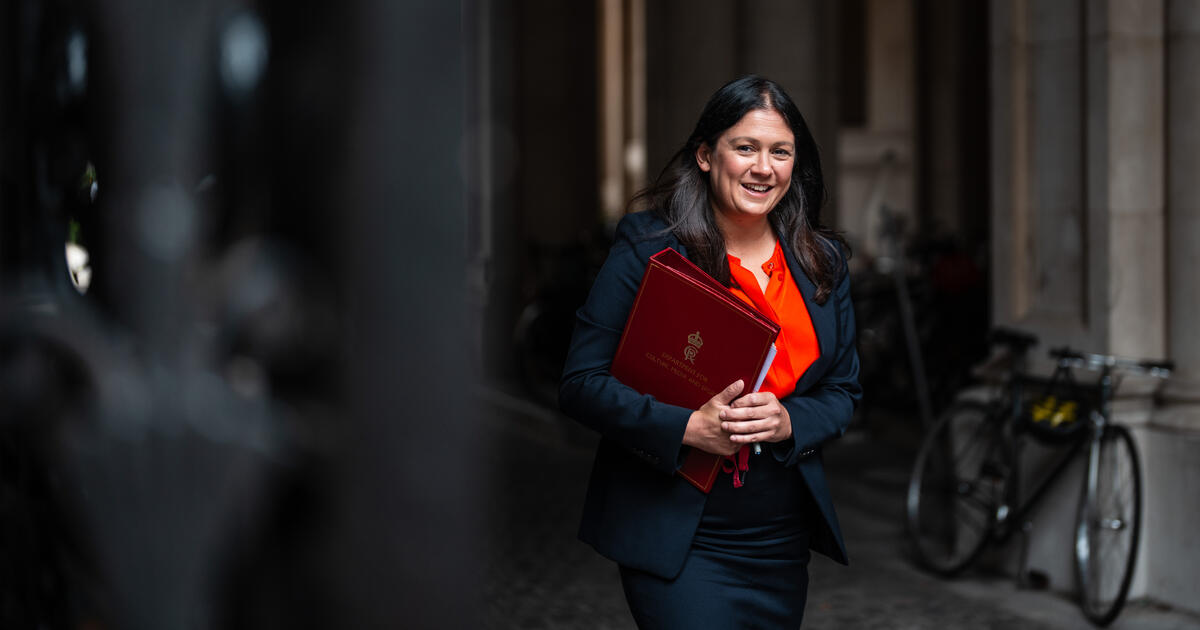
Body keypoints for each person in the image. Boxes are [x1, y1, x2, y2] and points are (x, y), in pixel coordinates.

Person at [558, 75, 861, 628]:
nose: (763, 167)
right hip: (680, 533)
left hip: (778, 539)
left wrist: (790, 418)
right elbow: (581, 382)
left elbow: (843, 391)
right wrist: (686, 429)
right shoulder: (649, 247)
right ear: (704, 154)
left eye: (780, 152)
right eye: (744, 147)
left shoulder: (823, 262)